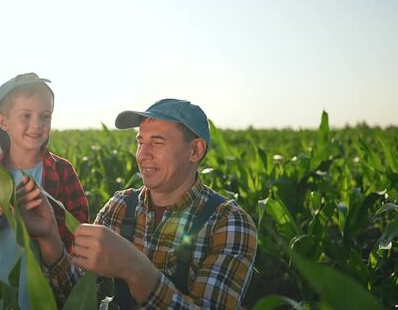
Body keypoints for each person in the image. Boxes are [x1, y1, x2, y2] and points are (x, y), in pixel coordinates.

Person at [17, 98, 258, 309]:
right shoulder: (120, 206)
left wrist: (135, 270)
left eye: (157, 142)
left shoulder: (228, 222)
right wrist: (49, 238)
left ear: (195, 150)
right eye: (140, 141)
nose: (143, 154)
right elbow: (79, 296)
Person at [0, 72, 89, 309]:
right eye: (26, 116)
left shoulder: (62, 172)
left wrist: (47, 229)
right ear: (3, 122)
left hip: (48, 297)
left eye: (45, 116)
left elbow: (78, 231)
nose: (37, 125)